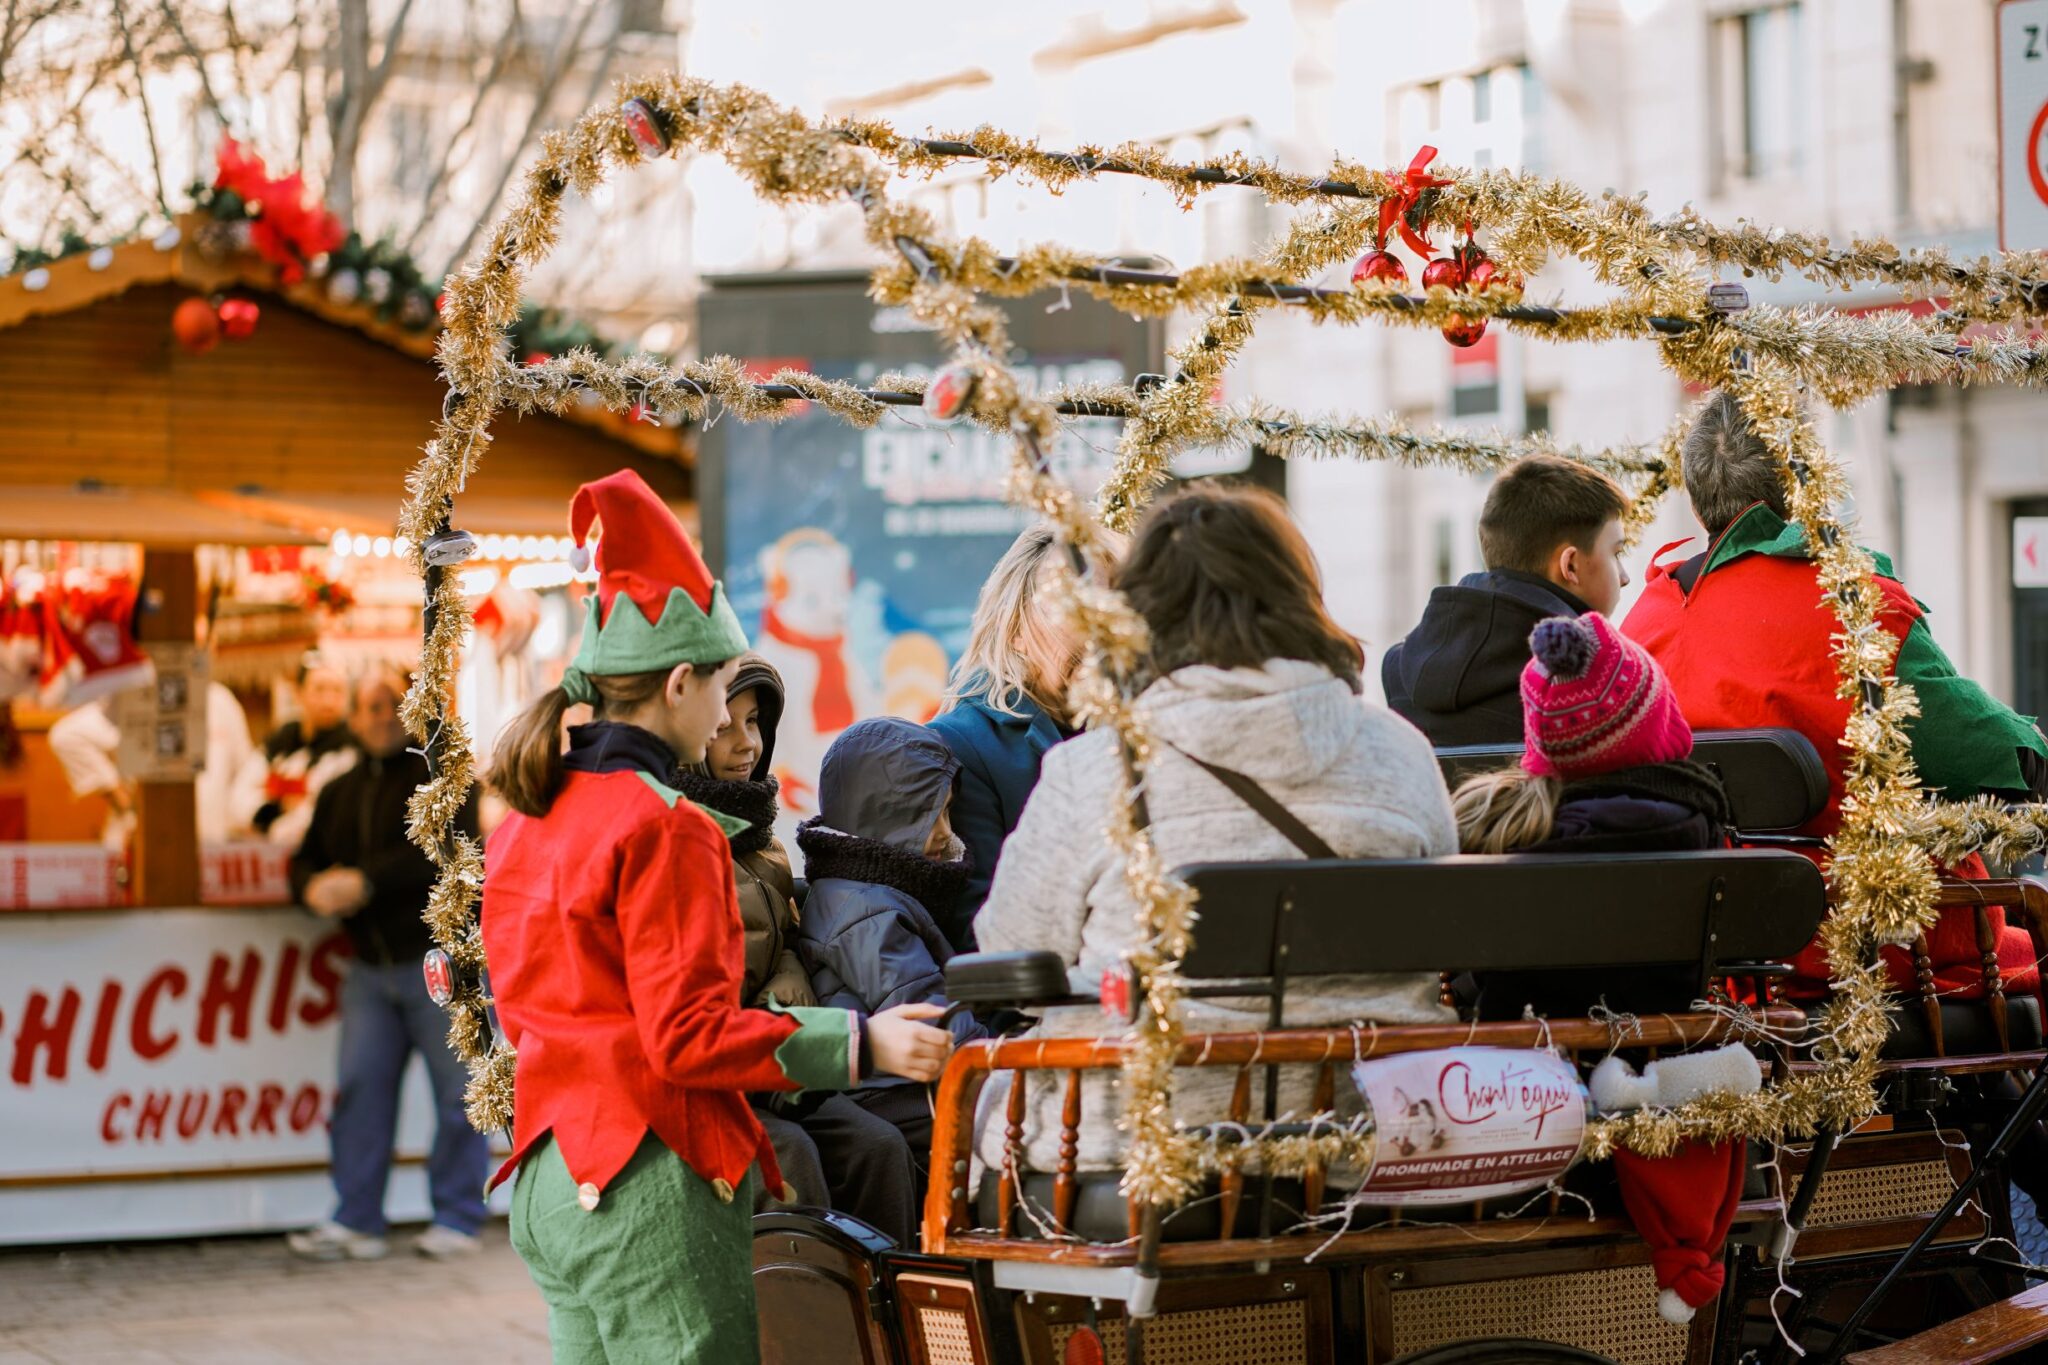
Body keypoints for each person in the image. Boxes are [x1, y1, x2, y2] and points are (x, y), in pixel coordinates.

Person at [479, 469, 950, 1363]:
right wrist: (864, 1042)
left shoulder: (528, 817)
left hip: (549, 1181)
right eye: (724, 684)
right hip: (650, 1181)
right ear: (684, 683)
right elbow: (688, 1035)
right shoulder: (669, 825)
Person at [975, 483, 1458, 1174]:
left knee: (989, 1094)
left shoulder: (1096, 769)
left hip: (1141, 1151)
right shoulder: (1402, 751)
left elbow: (1008, 957)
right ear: (1297, 594)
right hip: (1369, 1135)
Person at [1622, 391, 2048, 1002]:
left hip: (1713, 962)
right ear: (1804, 482)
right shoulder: (1851, 603)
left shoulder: (1644, 621)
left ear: (1697, 499)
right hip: (1872, 950)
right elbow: (1985, 753)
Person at [670, 654, 922, 1245]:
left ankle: (887, 1316)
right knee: (788, 1159)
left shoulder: (765, 846)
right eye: (724, 727)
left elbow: (779, 932)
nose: (746, 744)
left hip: (780, 1070)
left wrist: (789, 975)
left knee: (879, 1147)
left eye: (755, 722)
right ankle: (805, 1327)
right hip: (714, 1080)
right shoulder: (675, 843)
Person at [285, 667, 486, 1262]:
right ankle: (357, 1220)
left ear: (412, 711)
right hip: (369, 972)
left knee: (459, 1097)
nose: (377, 716)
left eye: (387, 705)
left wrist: (364, 882)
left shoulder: (446, 782)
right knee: (360, 1093)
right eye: (366, 707)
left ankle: (457, 1217)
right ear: (351, 719)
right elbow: (302, 861)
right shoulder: (338, 790)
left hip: (441, 965)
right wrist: (312, 888)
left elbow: (445, 857)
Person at [1451, 612, 1731, 1019]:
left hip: (1523, 1065)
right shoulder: (1696, 826)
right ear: (1657, 724)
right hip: (1657, 1052)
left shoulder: (1502, 836)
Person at [794, 716, 989, 1169]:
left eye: (947, 812)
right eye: (927, 816)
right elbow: (932, 1018)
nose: (945, 832)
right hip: (890, 1094)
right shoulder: (868, 911)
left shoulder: (867, 890)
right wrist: (1001, 1058)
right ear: (882, 818)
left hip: (894, 1085)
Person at [1382, 454, 1631, 747]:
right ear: (1571, 565)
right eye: (1616, 554)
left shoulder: (1399, 669)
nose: (1624, 576)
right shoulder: (1599, 676)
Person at [926, 524, 1093, 948]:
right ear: (1015, 628)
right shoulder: (959, 743)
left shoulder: (1137, 732)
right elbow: (976, 930)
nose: (1098, 628)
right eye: (1073, 605)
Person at [49, 680, 256, 848]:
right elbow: (66, 736)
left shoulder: (221, 701)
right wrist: (118, 794)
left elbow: (245, 774)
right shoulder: (137, 695)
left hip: (210, 845)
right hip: (140, 845)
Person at [231, 654, 357, 852]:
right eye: (319, 689)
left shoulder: (353, 751)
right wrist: (277, 808)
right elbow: (239, 798)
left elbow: (316, 815)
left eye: (337, 691)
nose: (328, 700)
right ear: (299, 693)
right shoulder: (280, 742)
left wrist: (275, 825)